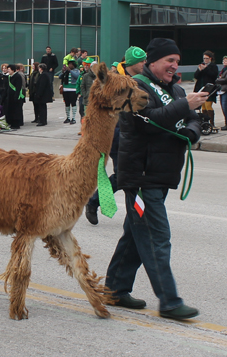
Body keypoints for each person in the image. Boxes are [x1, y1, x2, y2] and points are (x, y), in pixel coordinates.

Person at [105, 38, 207, 320]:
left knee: (136, 236)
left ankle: (114, 289)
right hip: (140, 178)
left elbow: (193, 117)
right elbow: (146, 120)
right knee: (156, 237)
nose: (174, 66)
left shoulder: (174, 89)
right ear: (152, 62)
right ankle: (170, 301)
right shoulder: (135, 86)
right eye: (169, 61)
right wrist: (184, 105)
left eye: (177, 60)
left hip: (161, 175)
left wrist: (192, 131)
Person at [85, 46, 146, 225]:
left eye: (145, 60)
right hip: (118, 133)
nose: (144, 64)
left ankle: (136, 215)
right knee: (124, 175)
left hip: (138, 133)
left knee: (133, 175)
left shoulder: (141, 79)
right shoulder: (115, 80)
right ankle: (96, 202)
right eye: (141, 61)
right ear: (132, 63)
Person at [194, 50, 219, 129]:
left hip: (209, 88)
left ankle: (212, 124)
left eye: (206, 58)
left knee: (208, 106)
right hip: (201, 88)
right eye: (204, 58)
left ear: (210, 58)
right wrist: (200, 70)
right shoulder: (202, 65)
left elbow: (213, 75)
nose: (205, 60)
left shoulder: (213, 66)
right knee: (203, 107)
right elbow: (196, 76)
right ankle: (205, 123)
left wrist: (205, 69)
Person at [4, 64, 24, 129]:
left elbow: (18, 88)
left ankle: (16, 124)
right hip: (10, 96)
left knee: (16, 111)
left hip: (16, 96)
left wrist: (16, 96)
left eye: (9, 69)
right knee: (10, 110)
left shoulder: (17, 76)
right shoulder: (9, 77)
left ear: (13, 70)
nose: (8, 71)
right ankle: (11, 122)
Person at [59, 59, 80, 124]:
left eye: (70, 64)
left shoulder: (76, 71)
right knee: (67, 104)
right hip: (66, 89)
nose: (69, 65)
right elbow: (60, 77)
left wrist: (70, 71)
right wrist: (63, 72)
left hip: (73, 90)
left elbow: (76, 76)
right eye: (68, 64)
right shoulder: (66, 71)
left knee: (73, 103)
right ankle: (68, 117)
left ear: (73, 65)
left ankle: (73, 118)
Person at [215, 55, 227, 130]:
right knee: (223, 107)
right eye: (223, 61)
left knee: (225, 107)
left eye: (226, 61)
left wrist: (217, 80)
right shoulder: (223, 70)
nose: (224, 62)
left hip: (226, 90)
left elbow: (225, 80)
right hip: (222, 90)